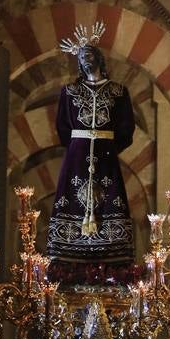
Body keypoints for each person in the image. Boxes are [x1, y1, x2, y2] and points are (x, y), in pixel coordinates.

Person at [46, 22, 135, 266]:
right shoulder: (70, 90)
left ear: (98, 58)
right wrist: (78, 146)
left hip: (106, 155)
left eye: (89, 55)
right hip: (77, 154)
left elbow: (127, 127)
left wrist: (109, 146)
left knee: (109, 197)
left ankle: (111, 249)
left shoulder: (118, 91)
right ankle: (69, 251)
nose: (86, 60)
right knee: (71, 198)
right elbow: (63, 126)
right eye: (82, 56)